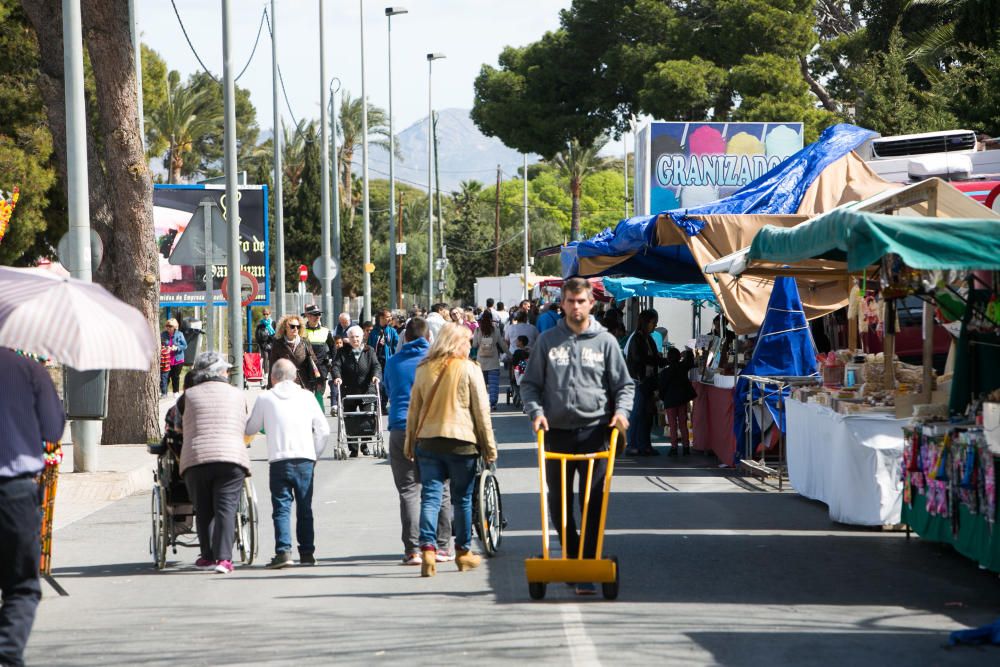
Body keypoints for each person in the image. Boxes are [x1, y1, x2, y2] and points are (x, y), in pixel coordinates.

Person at [519, 277, 634, 596]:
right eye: (570, 301)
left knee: (593, 498)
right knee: (558, 500)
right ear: (563, 304)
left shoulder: (605, 341)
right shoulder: (547, 341)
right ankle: (570, 554)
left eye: (581, 301)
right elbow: (529, 384)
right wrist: (535, 412)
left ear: (591, 303)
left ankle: (587, 561)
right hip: (555, 431)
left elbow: (624, 385)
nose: (576, 306)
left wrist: (621, 413)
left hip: (595, 431)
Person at [405, 323, 498, 577]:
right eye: (467, 342)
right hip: (462, 442)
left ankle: (427, 549)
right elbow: (481, 412)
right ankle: (463, 552)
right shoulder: (469, 369)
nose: (470, 346)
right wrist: (489, 447)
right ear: (457, 343)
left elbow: (414, 410)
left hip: (428, 442)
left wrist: (409, 443)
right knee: (463, 499)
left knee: (431, 497)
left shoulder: (424, 368)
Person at [0, 349, 64, 667]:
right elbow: (53, 430)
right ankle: (7, 656)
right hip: (14, 491)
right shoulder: (28, 370)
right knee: (22, 586)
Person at [245, 359, 330, 569]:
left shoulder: (265, 398)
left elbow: (251, 428)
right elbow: (323, 430)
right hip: (305, 459)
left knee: (281, 507)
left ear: (272, 377)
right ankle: (307, 553)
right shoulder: (307, 397)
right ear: (294, 376)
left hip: (279, 459)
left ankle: (284, 551)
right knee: (305, 507)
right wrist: (315, 454)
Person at [383, 317, 454, 565]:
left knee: (408, 490)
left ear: (405, 338)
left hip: (401, 428)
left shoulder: (393, 363)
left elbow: (389, 390)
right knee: (440, 488)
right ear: (428, 338)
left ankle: (413, 549)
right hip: (433, 429)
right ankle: (442, 546)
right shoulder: (439, 362)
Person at [178, 352, 251, 574]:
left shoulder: (187, 396)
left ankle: (207, 556)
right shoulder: (237, 395)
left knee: (203, 509)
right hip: (231, 457)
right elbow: (243, 423)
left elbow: (181, 424)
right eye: (225, 369)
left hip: (197, 458)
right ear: (219, 372)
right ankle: (224, 559)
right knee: (226, 508)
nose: (228, 373)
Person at [332, 325, 382, 457]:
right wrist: (337, 377)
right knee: (350, 418)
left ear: (362, 337)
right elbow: (336, 366)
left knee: (368, 417)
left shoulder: (369, 350)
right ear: (348, 338)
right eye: (352, 337)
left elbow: (376, 365)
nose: (355, 339)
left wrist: (376, 376)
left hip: (366, 389)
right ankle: (353, 448)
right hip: (348, 390)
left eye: (357, 337)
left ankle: (365, 445)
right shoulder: (342, 352)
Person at [625, 309, 667, 456]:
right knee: (637, 413)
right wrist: (658, 360)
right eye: (653, 323)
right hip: (638, 381)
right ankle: (632, 444)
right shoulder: (636, 338)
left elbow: (654, 358)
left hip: (648, 381)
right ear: (646, 322)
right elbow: (638, 359)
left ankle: (645, 445)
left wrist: (663, 361)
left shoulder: (648, 339)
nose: (655, 326)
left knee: (647, 415)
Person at [657, 348, 697, 456]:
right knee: (683, 424)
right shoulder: (683, 367)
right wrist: (688, 352)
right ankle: (686, 447)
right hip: (682, 400)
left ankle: (674, 448)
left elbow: (661, 389)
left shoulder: (665, 373)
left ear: (668, 359)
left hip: (670, 401)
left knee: (672, 425)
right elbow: (690, 362)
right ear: (679, 357)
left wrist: (662, 398)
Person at [269, 315, 321, 391]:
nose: (296, 329)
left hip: (303, 383)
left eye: (298, 326)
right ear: (285, 327)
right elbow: (272, 366)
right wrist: (270, 387)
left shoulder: (305, 342)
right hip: (284, 383)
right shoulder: (278, 343)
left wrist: (319, 382)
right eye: (292, 326)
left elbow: (314, 361)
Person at [302, 304, 336, 409]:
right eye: (314, 314)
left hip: (321, 368)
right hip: (305, 367)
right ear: (308, 316)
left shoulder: (325, 331)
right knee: (306, 394)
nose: (317, 317)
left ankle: (320, 415)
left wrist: (331, 361)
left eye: (319, 314)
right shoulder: (301, 331)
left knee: (319, 393)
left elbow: (333, 348)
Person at [473, 311, 506, 411]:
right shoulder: (495, 330)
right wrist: (509, 355)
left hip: (480, 362)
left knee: (481, 385)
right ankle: (493, 404)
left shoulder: (478, 330)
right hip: (493, 362)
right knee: (494, 385)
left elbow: (474, 345)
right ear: (491, 319)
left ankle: (482, 404)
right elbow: (502, 344)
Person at [368, 309, 399, 414]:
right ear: (381, 318)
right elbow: (370, 346)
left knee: (386, 383)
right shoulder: (374, 332)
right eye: (387, 316)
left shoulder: (392, 331)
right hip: (376, 361)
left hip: (388, 360)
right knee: (377, 383)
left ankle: (383, 404)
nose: (389, 318)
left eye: (390, 316)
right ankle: (377, 404)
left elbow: (397, 346)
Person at [160, 318, 187, 396]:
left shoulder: (179, 334)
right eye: (167, 326)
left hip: (177, 359)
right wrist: (165, 348)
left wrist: (177, 347)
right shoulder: (163, 334)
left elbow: (184, 345)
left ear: (175, 327)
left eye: (170, 326)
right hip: (166, 359)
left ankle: (176, 392)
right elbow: (160, 344)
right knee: (165, 377)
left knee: (175, 376)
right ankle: (164, 393)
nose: (168, 328)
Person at [254, 309, 276, 375]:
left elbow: (277, 333)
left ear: (270, 314)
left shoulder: (273, 323)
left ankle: (272, 372)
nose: (266, 315)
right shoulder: (261, 324)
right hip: (264, 344)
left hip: (272, 343)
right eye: (264, 314)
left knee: (272, 357)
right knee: (265, 357)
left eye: (267, 314)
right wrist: (261, 343)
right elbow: (257, 335)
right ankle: (266, 373)